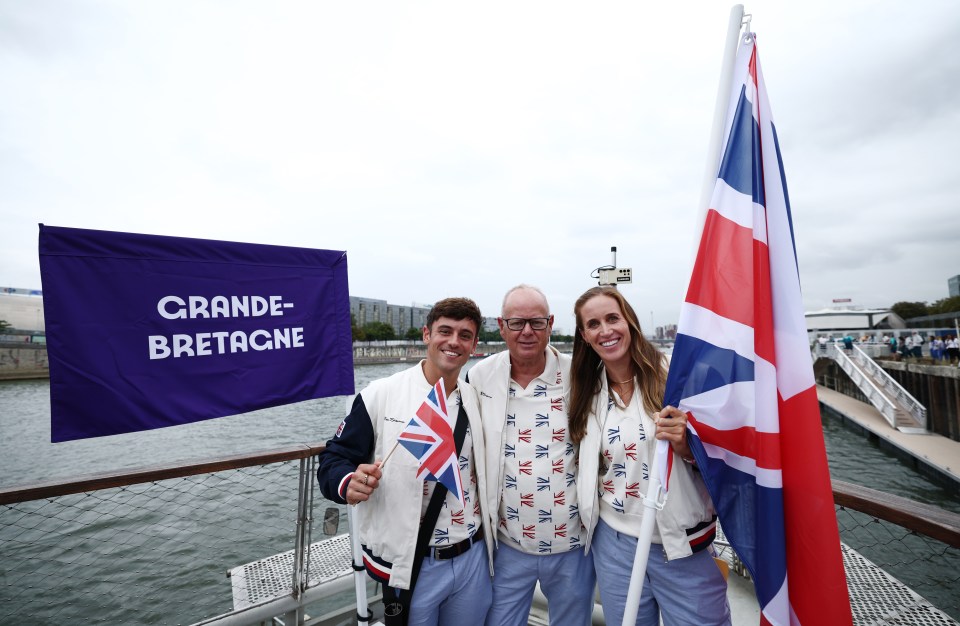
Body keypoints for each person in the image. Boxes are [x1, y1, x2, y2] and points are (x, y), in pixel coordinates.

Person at [316, 297, 495, 626]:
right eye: (445, 331)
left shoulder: (475, 399)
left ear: (474, 344)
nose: (454, 341)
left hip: (472, 555)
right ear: (426, 334)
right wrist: (349, 481)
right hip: (413, 561)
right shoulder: (381, 394)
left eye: (465, 335)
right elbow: (333, 459)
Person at [568, 286, 730, 626]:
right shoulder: (586, 391)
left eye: (613, 318)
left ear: (630, 321)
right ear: (584, 336)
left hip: (683, 545)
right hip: (614, 542)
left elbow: (726, 454)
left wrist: (687, 445)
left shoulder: (676, 375)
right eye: (593, 324)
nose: (606, 330)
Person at [466, 285, 595, 626]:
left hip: (572, 544)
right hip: (509, 544)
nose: (527, 331)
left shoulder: (578, 374)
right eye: (517, 322)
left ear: (550, 324)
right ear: (501, 325)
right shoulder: (481, 376)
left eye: (536, 322)